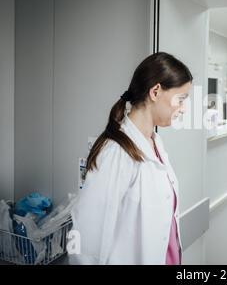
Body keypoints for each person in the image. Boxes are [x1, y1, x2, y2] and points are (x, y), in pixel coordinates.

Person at [69, 52, 193, 265]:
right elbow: (88, 238)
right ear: (155, 91)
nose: (183, 109)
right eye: (180, 99)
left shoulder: (155, 143)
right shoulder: (116, 153)